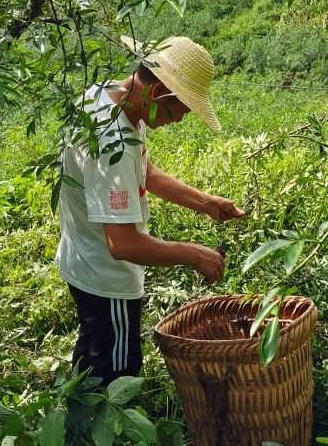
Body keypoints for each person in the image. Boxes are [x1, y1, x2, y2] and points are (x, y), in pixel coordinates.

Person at [55, 35, 245, 385]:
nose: (180, 120)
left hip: (83, 260)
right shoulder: (111, 142)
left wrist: (206, 203)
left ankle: (77, 418)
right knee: (115, 375)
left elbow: (146, 172)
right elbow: (123, 244)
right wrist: (194, 254)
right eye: (182, 110)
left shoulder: (108, 95)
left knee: (95, 357)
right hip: (105, 279)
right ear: (158, 94)